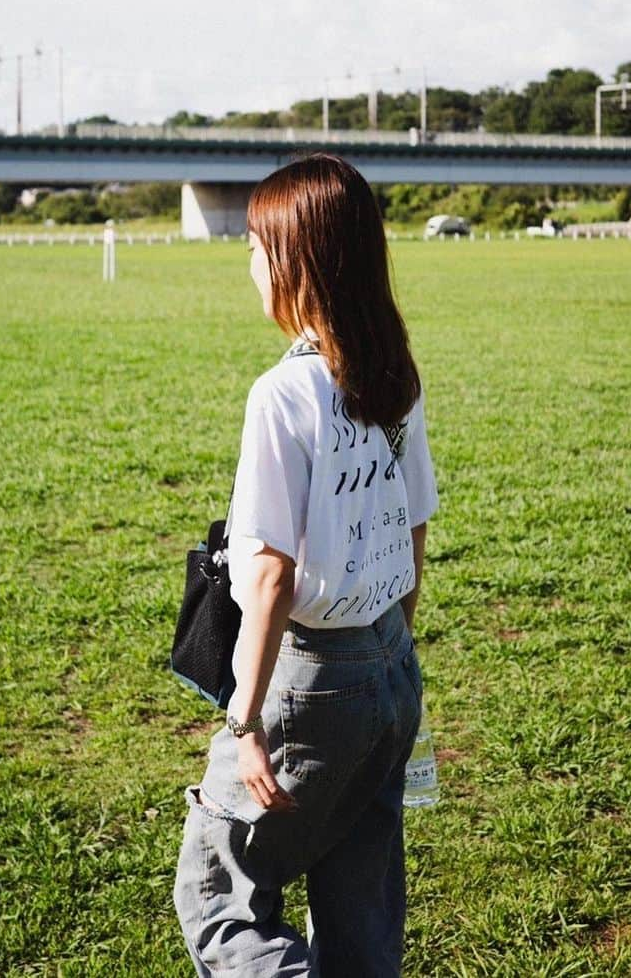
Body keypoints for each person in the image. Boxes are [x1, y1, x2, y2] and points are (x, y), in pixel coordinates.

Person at [173, 153, 439, 977]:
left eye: (255, 244)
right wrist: (391, 653)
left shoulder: (281, 395)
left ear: (296, 259)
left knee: (219, 895)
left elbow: (270, 578)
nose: (247, 261)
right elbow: (418, 526)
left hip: (312, 682)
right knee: (360, 910)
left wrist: (245, 722)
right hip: (390, 664)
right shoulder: (392, 375)